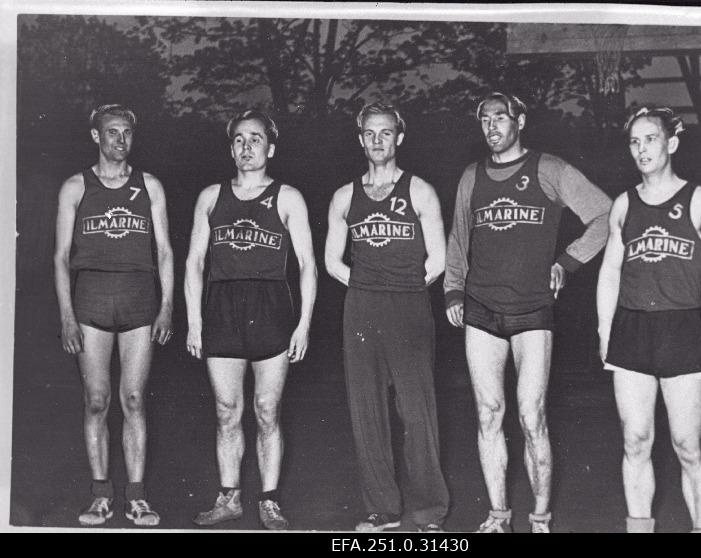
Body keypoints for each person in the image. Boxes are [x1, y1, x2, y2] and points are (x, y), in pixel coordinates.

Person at [444, 92, 611, 533]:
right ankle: (498, 515)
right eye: (484, 119)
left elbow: (605, 214)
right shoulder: (471, 176)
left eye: (500, 116)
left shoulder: (550, 169)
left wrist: (567, 261)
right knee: (488, 412)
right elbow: (459, 238)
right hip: (480, 308)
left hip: (532, 310)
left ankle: (539, 519)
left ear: (520, 119)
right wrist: (453, 291)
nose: (492, 125)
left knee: (531, 415)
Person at [597, 105, 701, 533]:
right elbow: (610, 271)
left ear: (671, 143)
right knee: (635, 442)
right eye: (635, 141)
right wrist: (605, 330)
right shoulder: (623, 204)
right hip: (632, 331)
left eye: (651, 139)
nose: (642, 149)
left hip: (681, 330)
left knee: (688, 446)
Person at [185, 110, 317, 530]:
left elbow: (308, 265)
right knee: (227, 410)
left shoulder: (288, 196)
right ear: (231, 148)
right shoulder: (210, 196)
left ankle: (270, 499)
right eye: (239, 140)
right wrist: (193, 322)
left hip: (270, 307)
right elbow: (193, 262)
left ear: (271, 148)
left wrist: (304, 325)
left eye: (255, 139)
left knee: (266, 410)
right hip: (221, 307)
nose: (247, 147)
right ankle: (229, 498)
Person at [325, 102, 450, 533]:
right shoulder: (345, 196)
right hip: (361, 310)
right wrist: (364, 287)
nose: (378, 140)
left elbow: (439, 259)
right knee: (367, 410)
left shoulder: (421, 191)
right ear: (360, 139)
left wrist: (406, 287)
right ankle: (383, 509)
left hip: (409, 306)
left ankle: (429, 510)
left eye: (386, 132)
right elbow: (331, 261)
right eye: (370, 133)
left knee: (417, 411)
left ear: (399, 137)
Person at [54, 104, 174, 527]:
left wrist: (166, 306)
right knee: (97, 401)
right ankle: (101, 495)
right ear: (96, 136)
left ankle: (137, 498)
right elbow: (61, 256)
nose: (119, 140)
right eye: (111, 132)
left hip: (139, 302)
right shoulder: (75, 187)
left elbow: (164, 251)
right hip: (91, 305)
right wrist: (67, 316)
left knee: (135, 399)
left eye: (126, 133)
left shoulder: (149, 186)